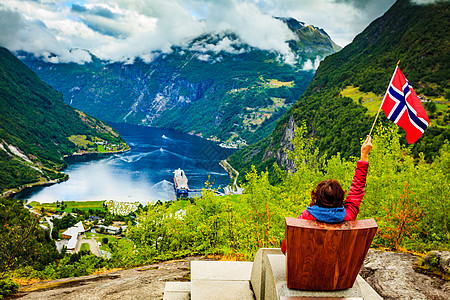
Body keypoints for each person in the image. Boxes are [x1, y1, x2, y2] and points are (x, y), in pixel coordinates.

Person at [281, 135, 373, 254]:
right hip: (338, 272)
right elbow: (357, 189)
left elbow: (285, 248)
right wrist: (364, 156)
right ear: (341, 197)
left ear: (317, 198)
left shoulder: (306, 218)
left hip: (306, 271)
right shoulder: (349, 216)